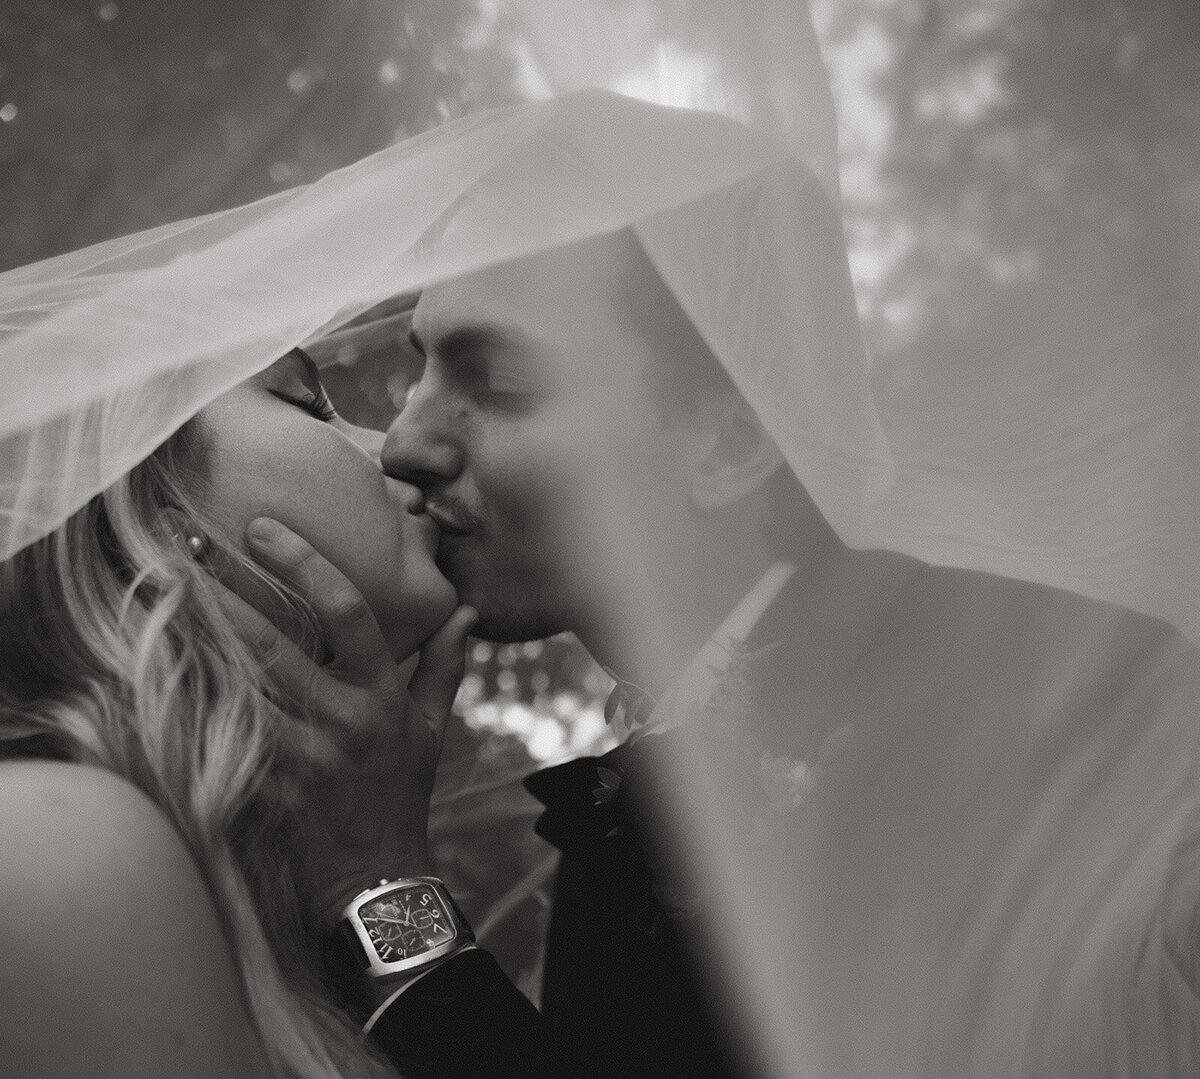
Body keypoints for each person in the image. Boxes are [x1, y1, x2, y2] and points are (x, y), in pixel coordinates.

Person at [284, 117, 1200, 1079]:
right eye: (422, 368)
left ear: (727, 441)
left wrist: (377, 885)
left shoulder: (1041, 696)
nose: (402, 442)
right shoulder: (646, 792)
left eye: (503, 380)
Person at [0, 346, 478, 1078]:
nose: (392, 450)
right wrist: (389, 886)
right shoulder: (56, 849)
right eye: (309, 403)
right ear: (151, 515)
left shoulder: (253, 885)